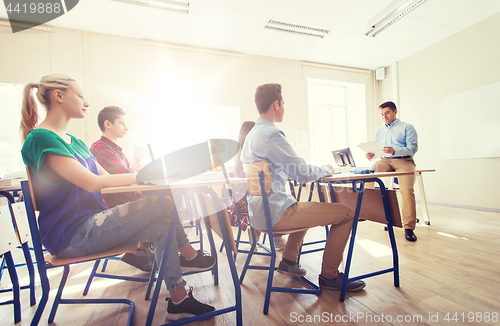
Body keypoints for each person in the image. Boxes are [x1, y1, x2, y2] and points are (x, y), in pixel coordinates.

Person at [20, 74, 215, 321]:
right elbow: (92, 183)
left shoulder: (76, 142)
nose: (86, 102)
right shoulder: (41, 138)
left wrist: (149, 177)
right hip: (70, 234)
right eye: (80, 95)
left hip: (93, 224)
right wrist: (146, 175)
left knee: (163, 227)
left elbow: (108, 180)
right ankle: (187, 257)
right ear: (59, 96)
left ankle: (179, 299)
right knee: (164, 202)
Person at [240, 83, 366, 291]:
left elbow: (284, 168)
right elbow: (302, 174)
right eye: (283, 104)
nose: (283, 107)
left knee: (304, 205)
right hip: (275, 214)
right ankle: (330, 276)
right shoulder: (272, 135)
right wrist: (325, 169)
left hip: (258, 214)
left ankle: (289, 261)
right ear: (276, 104)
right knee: (347, 214)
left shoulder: (251, 136)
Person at [90, 106, 214, 272]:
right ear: (108, 124)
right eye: (122, 123)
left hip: (127, 200)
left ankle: (149, 250)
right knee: (165, 202)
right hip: (118, 208)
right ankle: (186, 255)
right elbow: (123, 174)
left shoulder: (115, 150)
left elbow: (129, 178)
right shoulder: (100, 147)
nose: (126, 128)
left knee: (166, 198)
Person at [365, 101, 418, 242]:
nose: (384, 116)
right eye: (382, 114)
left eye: (387, 113)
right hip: (385, 161)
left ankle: (409, 228)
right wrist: (372, 156)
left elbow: (412, 149)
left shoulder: (407, 127)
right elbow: (376, 151)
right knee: (369, 174)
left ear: (395, 112)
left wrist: (396, 150)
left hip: (404, 160)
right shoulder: (379, 132)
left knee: (406, 190)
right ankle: (368, 212)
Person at [230, 121, 286, 250]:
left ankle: (259, 231)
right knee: (276, 199)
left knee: (266, 196)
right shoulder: (254, 151)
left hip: (240, 198)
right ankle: (277, 238)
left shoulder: (239, 152)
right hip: (250, 198)